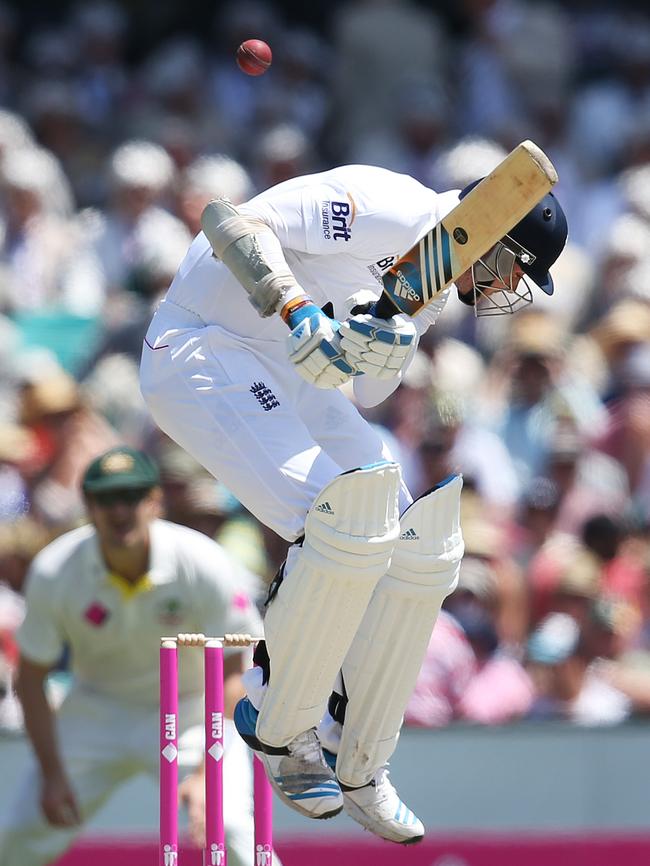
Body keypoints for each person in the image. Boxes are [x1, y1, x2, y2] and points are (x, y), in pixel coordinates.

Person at [139, 162, 568, 844]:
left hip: (290, 375)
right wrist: (298, 309)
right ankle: (276, 718)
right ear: (495, 233)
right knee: (340, 520)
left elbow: (366, 390)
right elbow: (229, 221)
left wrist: (380, 343)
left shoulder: (427, 279)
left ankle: (357, 752)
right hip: (203, 347)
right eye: (517, 267)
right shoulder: (388, 205)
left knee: (412, 540)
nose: (509, 286)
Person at [0, 446, 272, 866]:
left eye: (132, 495)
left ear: (155, 502)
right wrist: (52, 774)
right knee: (19, 837)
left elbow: (238, 671)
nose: (120, 510)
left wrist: (206, 775)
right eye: (107, 498)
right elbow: (31, 678)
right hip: (96, 710)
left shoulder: (202, 561)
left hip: (195, 711)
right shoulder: (56, 570)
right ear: (88, 505)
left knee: (229, 828)